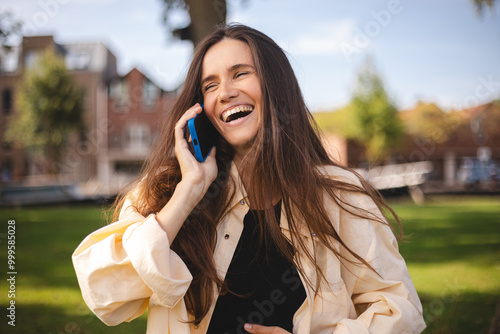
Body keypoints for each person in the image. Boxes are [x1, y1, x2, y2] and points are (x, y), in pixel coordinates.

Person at [72, 23, 426, 334]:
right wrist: (190, 190)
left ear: (276, 86)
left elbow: (399, 309)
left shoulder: (340, 195)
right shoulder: (167, 191)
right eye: (210, 85)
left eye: (240, 74)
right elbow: (105, 292)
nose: (225, 92)